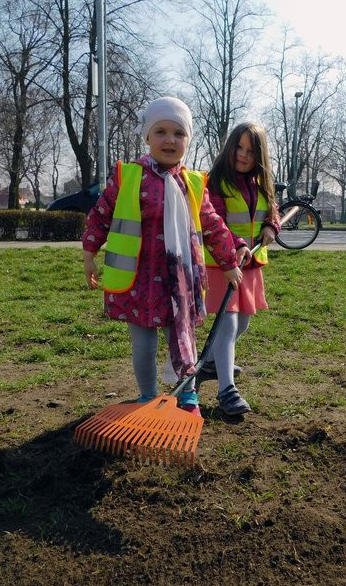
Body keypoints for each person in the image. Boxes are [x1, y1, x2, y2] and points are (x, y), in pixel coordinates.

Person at [81, 96, 245, 417]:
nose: (170, 140)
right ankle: (147, 396)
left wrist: (228, 262)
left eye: (179, 133)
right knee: (143, 344)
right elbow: (100, 214)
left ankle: (187, 395)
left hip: (178, 281)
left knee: (182, 338)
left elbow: (213, 224)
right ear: (147, 136)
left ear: (188, 140)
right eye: (161, 132)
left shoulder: (193, 183)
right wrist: (89, 253)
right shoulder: (128, 176)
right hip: (137, 280)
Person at [199, 122, 281, 415]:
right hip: (223, 263)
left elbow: (272, 210)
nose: (243, 155)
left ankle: (210, 362)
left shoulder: (261, 185)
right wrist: (235, 245)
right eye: (239, 147)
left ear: (260, 155)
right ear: (230, 147)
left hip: (250, 265)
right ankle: (227, 391)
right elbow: (215, 221)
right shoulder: (216, 183)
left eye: (250, 150)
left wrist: (271, 226)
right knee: (229, 323)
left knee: (243, 323)